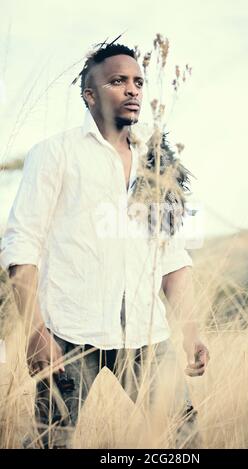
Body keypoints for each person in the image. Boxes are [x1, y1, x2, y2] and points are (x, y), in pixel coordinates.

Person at [0, 42, 210, 449]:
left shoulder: (155, 160)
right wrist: (35, 330)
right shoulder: (55, 153)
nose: (132, 90)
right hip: (69, 331)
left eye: (137, 82)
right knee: (50, 442)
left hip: (145, 333)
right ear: (89, 94)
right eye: (118, 81)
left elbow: (169, 255)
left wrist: (190, 329)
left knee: (185, 441)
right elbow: (21, 243)